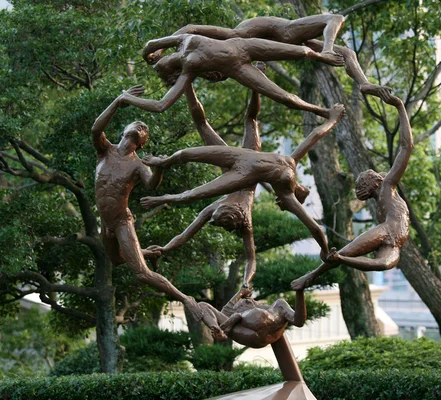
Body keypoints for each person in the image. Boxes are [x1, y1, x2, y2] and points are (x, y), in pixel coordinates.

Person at [140, 104, 345, 261]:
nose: (278, 203)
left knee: (187, 155)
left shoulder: (292, 162)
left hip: (242, 162)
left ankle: (163, 162)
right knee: (194, 189)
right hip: (242, 169)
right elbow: (314, 228)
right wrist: (326, 253)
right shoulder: (286, 194)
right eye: (280, 205)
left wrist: (333, 120)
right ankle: (162, 169)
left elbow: (314, 135)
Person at [146, 65, 265, 291]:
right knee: (250, 120)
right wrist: (246, 282)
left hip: (229, 164)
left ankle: (187, 81)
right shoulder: (244, 218)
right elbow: (252, 259)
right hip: (250, 162)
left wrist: (164, 248)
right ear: (229, 208)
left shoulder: (217, 207)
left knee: (204, 125)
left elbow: (185, 234)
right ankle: (256, 81)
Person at [91, 84, 204, 321]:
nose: (141, 127)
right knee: (115, 259)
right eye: (137, 125)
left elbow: (152, 184)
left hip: (121, 221)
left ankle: (184, 298)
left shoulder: (138, 165)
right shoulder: (105, 150)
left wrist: (161, 166)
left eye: (144, 129)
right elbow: (95, 129)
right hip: (106, 222)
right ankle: (142, 252)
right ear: (124, 131)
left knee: (141, 273)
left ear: (142, 143)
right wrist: (119, 100)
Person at [291, 95, 413, 290]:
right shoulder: (385, 193)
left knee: (381, 263)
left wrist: (400, 106)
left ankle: (319, 271)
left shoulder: (388, 186)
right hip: (389, 230)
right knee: (347, 253)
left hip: (393, 237)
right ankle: (314, 274)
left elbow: (407, 147)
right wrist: (342, 258)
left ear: (375, 181)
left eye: (363, 183)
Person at [162, 14, 391, 100]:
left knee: (346, 47)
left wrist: (161, 48)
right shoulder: (231, 56)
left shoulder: (237, 35)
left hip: (286, 33)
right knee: (335, 18)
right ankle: (328, 50)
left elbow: (191, 26)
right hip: (287, 37)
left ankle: (364, 84)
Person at [119, 33, 345, 119]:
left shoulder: (181, 40)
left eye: (157, 62)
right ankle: (322, 111)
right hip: (238, 68)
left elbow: (149, 43)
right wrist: (127, 98)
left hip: (242, 45)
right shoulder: (189, 70)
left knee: (301, 52)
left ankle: (323, 54)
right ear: (171, 72)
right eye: (159, 68)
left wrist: (149, 53)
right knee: (283, 97)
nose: (157, 63)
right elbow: (161, 105)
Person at [198, 287, 306, 348]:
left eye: (248, 301)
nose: (249, 300)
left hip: (258, 332)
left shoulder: (277, 306)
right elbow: (229, 310)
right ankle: (219, 330)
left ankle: (220, 330)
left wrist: (241, 292)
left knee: (237, 316)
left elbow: (299, 321)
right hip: (250, 332)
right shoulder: (239, 314)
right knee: (203, 306)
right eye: (245, 302)